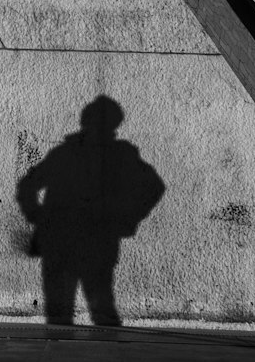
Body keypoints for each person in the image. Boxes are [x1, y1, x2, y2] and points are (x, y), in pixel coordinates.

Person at [15, 95, 165, 326]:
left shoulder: (75, 153)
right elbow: (153, 187)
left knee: (69, 311)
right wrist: (128, 218)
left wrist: (39, 217)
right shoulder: (115, 155)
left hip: (74, 241)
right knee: (95, 310)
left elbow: (28, 186)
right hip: (87, 241)